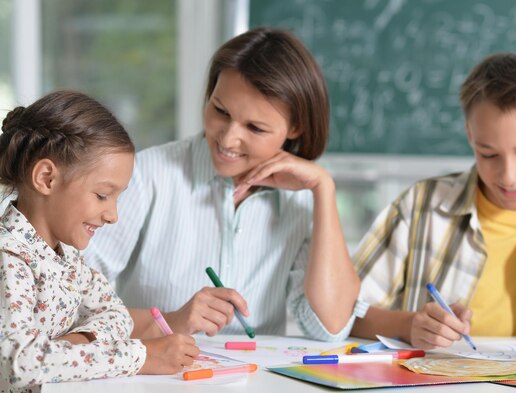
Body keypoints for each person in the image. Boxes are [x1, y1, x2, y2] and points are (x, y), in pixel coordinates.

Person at [84, 27, 363, 341]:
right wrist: (172, 321)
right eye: (220, 111)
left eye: (255, 128)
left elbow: (331, 327)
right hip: (153, 382)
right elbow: (74, 300)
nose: (228, 139)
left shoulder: (303, 201)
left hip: (254, 385)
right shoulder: (148, 175)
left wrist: (323, 189)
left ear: (295, 128)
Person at [350, 53, 516, 350]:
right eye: (489, 154)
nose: (508, 176)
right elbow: (347, 314)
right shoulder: (419, 208)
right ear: (470, 135)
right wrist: (409, 326)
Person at [0, 91, 199, 393]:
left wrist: (79, 340)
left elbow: (117, 315)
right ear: (47, 178)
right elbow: (23, 363)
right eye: (103, 195)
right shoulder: (9, 259)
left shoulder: (66, 256)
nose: (113, 215)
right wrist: (140, 356)